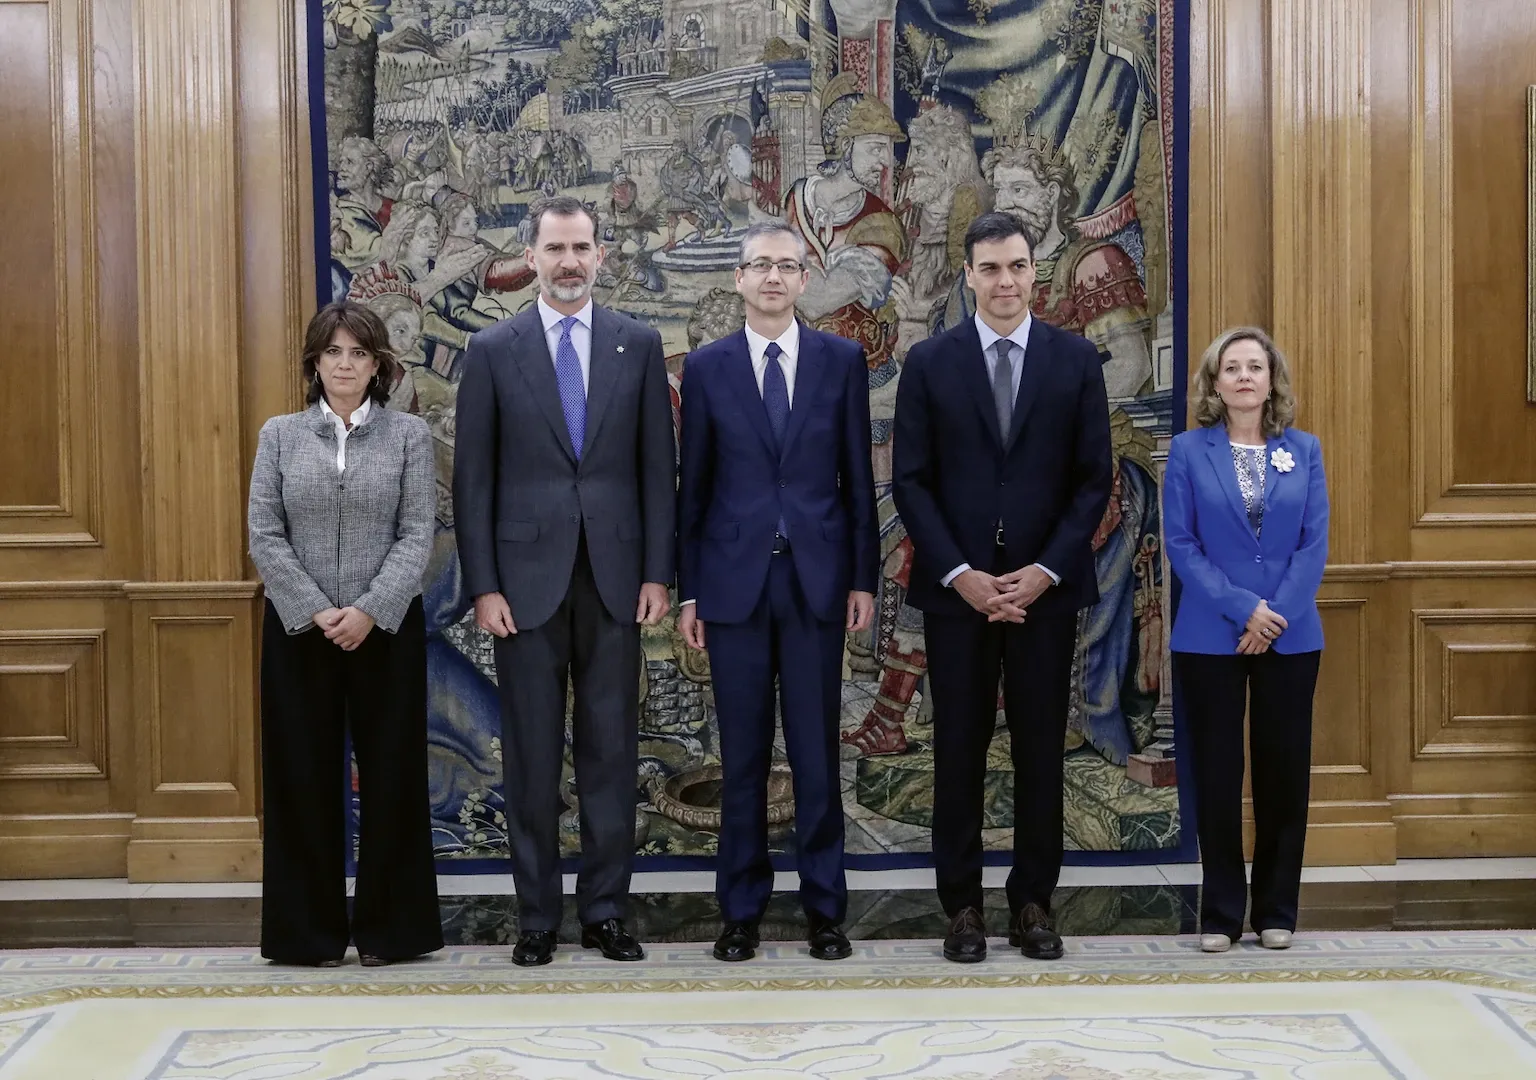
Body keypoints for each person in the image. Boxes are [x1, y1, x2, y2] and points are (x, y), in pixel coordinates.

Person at [452, 195, 676, 967]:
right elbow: (472, 482)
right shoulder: (493, 348)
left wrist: (657, 572)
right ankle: (538, 918)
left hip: (617, 580)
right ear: (533, 257)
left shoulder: (637, 344)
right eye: (555, 250)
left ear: (602, 255)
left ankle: (607, 911)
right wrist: (483, 586)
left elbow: (658, 471)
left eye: (582, 248)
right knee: (532, 753)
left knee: (611, 749)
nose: (570, 262)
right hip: (522, 585)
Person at [892, 211, 1112, 963]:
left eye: (1016, 265)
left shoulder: (1075, 361)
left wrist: (1044, 569)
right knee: (958, 748)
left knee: (1040, 750)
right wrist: (962, 575)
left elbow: (1092, 481)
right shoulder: (930, 362)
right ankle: (961, 909)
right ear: (968, 274)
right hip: (959, 595)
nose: (1005, 281)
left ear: (1035, 269)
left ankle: (1032, 903)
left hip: (1044, 592)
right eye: (990, 268)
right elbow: (911, 482)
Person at [676, 222, 879, 963]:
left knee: (818, 753)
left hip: (819, 582)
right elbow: (690, 487)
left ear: (804, 279)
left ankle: (826, 907)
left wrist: (864, 577)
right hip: (732, 587)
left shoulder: (840, 361)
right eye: (759, 265)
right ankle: (741, 909)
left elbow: (858, 478)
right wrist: (690, 592)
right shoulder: (706, 367)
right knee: (743, 756)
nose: (771, 277)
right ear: (738, 278)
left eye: (786, 266)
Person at [247, 301, 442, 967]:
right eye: (333, 353)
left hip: (385, 630)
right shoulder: (278, 436)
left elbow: (418, 534)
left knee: (392, 779)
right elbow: (264, 535)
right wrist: (312, 607)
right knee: (301, 779)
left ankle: (394, 934)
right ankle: (307, 936)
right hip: (300, 632)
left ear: (378, 364)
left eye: (359, 353)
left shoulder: (409, 439)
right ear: (315, 363)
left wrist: (368, 609)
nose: (345, 365)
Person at [1163, 327, 1327, 954]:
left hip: (1290, 636)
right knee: (1216, 773)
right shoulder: (1187, 451)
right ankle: (1222, 912)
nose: (1244, 378)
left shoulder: (1304, 450)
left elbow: (1313, 545)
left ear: (1271, 380)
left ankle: (1278, 908)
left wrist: (1274, 615)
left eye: (1255, 367)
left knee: (1284, 772)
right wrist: (1243, 610)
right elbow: (1181, 544)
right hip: (1210, 635)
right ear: (1214, 383)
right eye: (1231, 368)